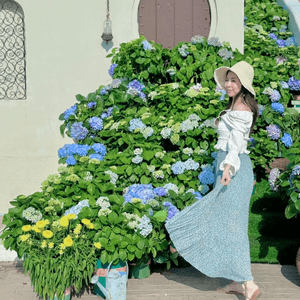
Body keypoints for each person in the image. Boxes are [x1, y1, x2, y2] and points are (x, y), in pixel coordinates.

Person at [165, 61, 262, 300]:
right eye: (227, 79)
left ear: (243, 85)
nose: (228, 84)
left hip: (233, 169)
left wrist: (228, 168)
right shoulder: (233, 107)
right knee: (226, 222)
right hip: (227, 169)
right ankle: (238, 283)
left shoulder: (242, 111)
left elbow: (237, 145)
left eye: (234, 80)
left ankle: (248, 283)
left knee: (232, 224)